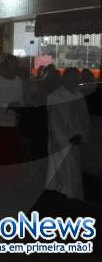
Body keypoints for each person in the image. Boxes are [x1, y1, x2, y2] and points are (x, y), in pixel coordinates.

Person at [46, 68, 90, 200]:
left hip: (75, 139)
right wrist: (67, 139)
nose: (75, 80)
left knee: (73, 171)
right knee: (62, 171)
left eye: (77, 77)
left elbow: (84, 119)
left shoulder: (79, 96)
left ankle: (72, 197)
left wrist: (81, 136)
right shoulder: (54, 96)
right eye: (72, 77)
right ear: (65, 78)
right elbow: (54, 122)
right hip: (61, 141)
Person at [0, 55, 24, 165]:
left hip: (14, 122)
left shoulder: (18, 80)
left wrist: (20, 106)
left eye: (15, 65)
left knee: (12, 153)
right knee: (0, 153)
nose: (14, 67)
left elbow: (21, 97)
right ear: (6, 66)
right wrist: (7, 105)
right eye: (11, 65)